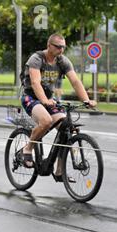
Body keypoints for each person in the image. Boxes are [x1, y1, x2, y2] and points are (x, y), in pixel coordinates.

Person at [20, 33, 97, 182]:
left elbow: (75, 81)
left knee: (65, 127)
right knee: (46, 121)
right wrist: (43, 100)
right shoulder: (36, 59)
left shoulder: (63, 61)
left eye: (63, 47)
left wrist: (86, 100)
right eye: (58, 47)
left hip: (48, 99)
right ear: (49, 45)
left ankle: (59, 170)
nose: (61, 50)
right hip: (31, 97)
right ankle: (28, 148)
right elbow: (35, 83)